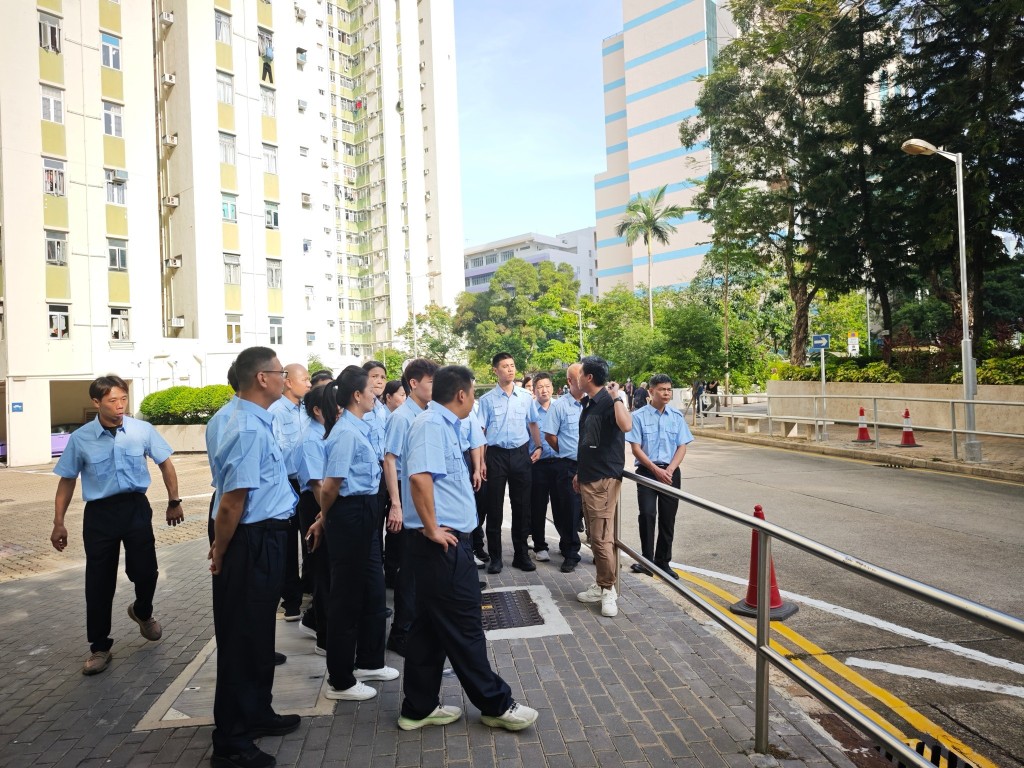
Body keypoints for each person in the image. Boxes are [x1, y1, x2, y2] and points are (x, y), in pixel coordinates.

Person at [398, 365, 539, 733]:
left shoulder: (445, 424)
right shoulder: (431, 425)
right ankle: (496, 704)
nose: (474, 398)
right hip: (441, 545)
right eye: (473, 392)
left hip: (444, 542)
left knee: (429, 630)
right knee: (466, 627)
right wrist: (431, 528)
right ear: (461, 394)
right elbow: (419, 478)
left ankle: (418, 708)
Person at [51, 375, 183, 676]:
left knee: (146, 571)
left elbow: (165, 463)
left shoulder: (141, 430)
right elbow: (67, 480)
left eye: (124, 399)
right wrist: (59, 522)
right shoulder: (81, 438)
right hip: (99, 515)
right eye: (113, 400)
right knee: (99, 581)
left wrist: (174, 500)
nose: (120, 405)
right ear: (96, 402)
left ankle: (142, 611)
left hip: (135, 509)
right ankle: (99, 646)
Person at [208, 347, 301, 768]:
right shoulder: (247, 428)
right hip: (251, 539)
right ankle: (231, 741)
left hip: (264, 536)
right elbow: (232, 501)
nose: (285, 378)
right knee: (242, 640)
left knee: (258, 634)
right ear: (263, 378)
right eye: (280, 372)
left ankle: (257, 712)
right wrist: (220, 549)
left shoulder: (246, 418)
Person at [320, 366, 396, 701]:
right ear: (356, 395)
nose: (375, 396)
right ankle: (340, 680)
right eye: (370, 391)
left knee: (373, 588)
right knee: (347, 597)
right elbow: (331, 486)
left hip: (365, 511)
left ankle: (369, 661)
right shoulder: (345, 433)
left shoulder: (359, 426)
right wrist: (325, 518)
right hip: (349, 514)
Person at [382, 358, 438, 656]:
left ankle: (418, 627)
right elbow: (390, 460)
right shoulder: (402, 417)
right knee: (409, 569)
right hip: (407, 497)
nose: (435, 387)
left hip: (423, 496)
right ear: (413, 384)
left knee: (422, 566)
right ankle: (400, 633)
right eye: (431, 382)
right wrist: (396, 504)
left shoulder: (428, 412)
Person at [574, 356, 632, 618]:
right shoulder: (590, 403)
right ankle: (601, 584)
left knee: (601, 537)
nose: (577, 378)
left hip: (603, 480)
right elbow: (588, 442)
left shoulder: (609, 402)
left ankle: (608, 590)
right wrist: (579, 472)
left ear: (588, 377)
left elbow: (626, 426)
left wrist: (617, 396)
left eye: (580, 373)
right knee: (594, 535)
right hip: (588, 477)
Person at [477, 352, 542, 574]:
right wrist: (481, 462)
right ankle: (495, 558)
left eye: (512, 365)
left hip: (521, 455)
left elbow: (533, 423)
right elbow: (481, 432)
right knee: (494, 508)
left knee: (522, 507)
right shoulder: (486, 400)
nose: (510, 369)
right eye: (505, 366)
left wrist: (538, 446)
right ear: (495, 370)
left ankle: (521, 555)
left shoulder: (525, 397)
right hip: (495, 456)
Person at [625, 374, 693, 580]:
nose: (666, 393)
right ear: (651, 392)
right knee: (647, 514)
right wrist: (655, 470)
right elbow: (636, 448)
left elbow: (682, 446)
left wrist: (670, 470)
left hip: (670, 473)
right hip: (648, 472)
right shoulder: (638, 416)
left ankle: (663, 562)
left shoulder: (676, 416)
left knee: (667, 518)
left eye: (669, 389)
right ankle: (646, 561)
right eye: (662, 389)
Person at [268, 363, 312, 622]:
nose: (308, 384)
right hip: (285, 483)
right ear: (288, 381)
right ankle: (291, 600)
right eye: (304, 379)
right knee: (286, 544)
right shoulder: (275, 412)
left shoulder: (308, 410)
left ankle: (310, 590)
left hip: (307, 485)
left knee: (310, 539)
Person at [292, 385, 330, 653]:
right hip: (316, 504)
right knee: (322, 568)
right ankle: (321, 632)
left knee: (328, 568)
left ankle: (316, 619)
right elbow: (318, 484)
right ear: (317, 410)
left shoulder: (325, 432)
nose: (340, 409)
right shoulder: (311, 439)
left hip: (325, 503)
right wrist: (327, 515)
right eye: (334, 404)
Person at [541, 363, 584, 573]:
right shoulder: (559, 406)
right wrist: (565, 450)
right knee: (567, 510)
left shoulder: (593, 403)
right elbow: (549, 435)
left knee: (590, 510)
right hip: (567, 465)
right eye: (580, 377)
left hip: (591, 466)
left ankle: (598, 550)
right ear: (570, 381)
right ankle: (570, 552)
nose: (585, 380)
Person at [528, 372, 558, 562]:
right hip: (537, 465)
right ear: (534, 390)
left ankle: (568, 545)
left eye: (547, 386)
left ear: (552, 388)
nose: (544, 390)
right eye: (540, 387)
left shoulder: (559, 408)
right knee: (537, 507)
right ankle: (540, 546)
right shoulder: (530, 410)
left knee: (562, 507)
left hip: (559, 463)